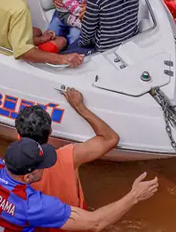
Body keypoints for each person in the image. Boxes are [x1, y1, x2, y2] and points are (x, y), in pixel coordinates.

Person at [0, 136, 158, 232]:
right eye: (43, 166)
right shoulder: (31, 205)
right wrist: (134, 196)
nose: (47, 168)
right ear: (27, 176)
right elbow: (95, 222)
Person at [15, 89, 120, 222]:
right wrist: (79, 107)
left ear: (18, 135)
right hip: (79, 224)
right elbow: (110, 139)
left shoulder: (8, 170)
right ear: (50, 132)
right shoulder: (69, 156)